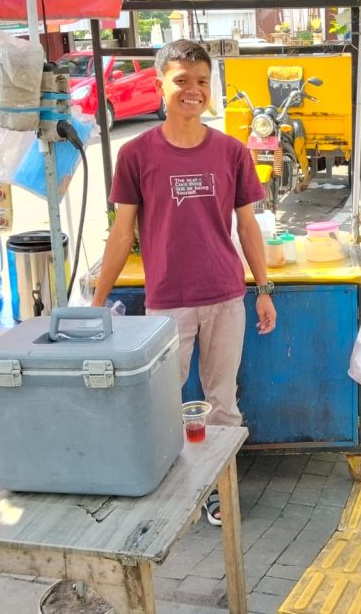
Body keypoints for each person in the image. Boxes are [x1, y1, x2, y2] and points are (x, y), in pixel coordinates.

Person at [91, 39, 277, 526]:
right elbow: (121, 231)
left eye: (200, 81)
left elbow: (248, 226)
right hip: (167, 304)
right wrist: (97, 300)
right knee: (159, 402)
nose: (192, 91)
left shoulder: (232, 151)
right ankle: (170, 489)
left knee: (223, 403)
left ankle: (219, 491)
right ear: (159, 86)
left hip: (225, 297)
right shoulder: (135, 155)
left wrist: (263, 289)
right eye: (181, 81)